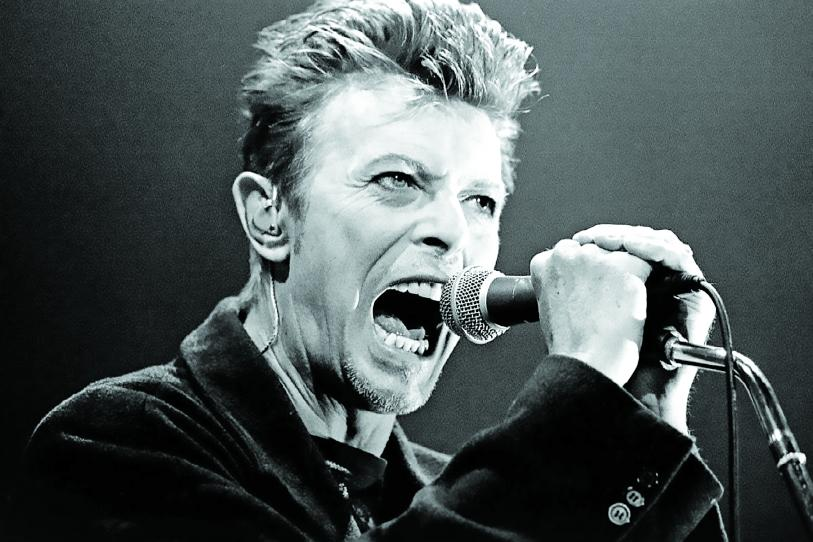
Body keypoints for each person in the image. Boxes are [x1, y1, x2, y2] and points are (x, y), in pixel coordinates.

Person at [10, 0, 726, 540]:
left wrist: (643, 416)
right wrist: (581, 391)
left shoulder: (459, 495)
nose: (454, 232)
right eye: (397, 180)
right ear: (270, 217)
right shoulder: (114, 447)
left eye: (480, 201)